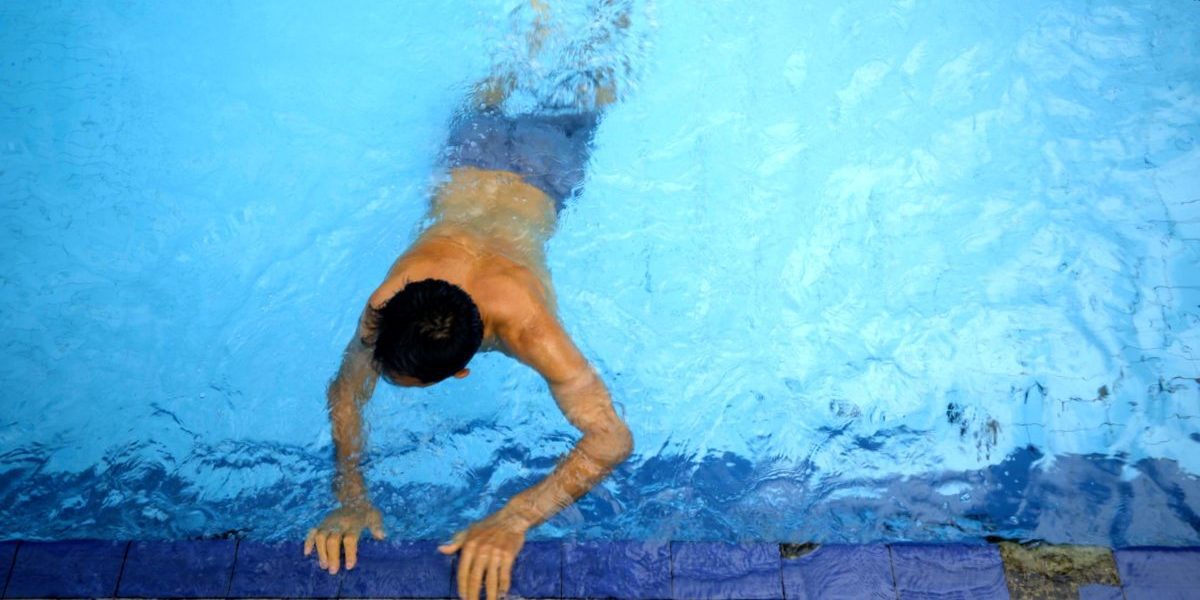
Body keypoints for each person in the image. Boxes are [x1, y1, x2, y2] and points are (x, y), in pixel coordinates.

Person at [303, 3, 634, 600]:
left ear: (462, 369)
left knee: (590, 79)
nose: (369, 363)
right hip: (482, 159)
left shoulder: (527, 328)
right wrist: (349, 498)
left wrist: (513, 520)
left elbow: (614, 440)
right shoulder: (392, 301)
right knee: (558, 72)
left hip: (530, 165)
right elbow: (348, 385)